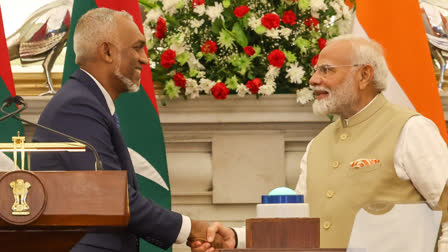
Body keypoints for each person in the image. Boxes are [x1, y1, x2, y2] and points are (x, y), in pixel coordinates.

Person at [190, 35, 448, 251]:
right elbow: (299, 225)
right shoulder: (317, 144)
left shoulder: (411, 129)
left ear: (364, 75)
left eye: (326, 70)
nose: (313, 80)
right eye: (315, 70)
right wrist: (236, 237)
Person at [31, 8, 220, 252]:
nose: (145, 58)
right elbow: (111, 198)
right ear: (107, 52)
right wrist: (193, 229)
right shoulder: (76, 106)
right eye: (137, 47)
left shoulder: (87, 101)